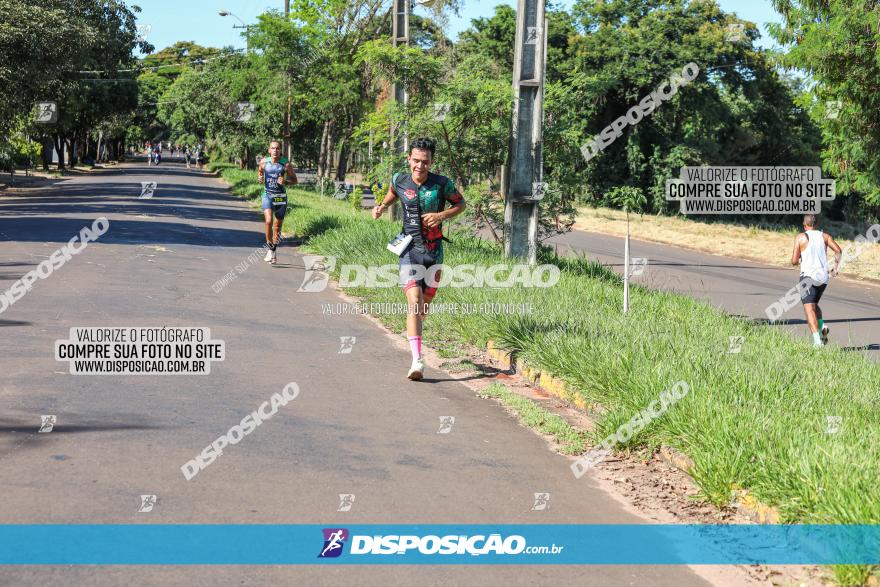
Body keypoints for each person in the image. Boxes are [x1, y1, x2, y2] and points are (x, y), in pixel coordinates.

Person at [371, 138, 466, 380]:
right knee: (414, 301)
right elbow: (393, 193)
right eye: (415, 161)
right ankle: (417, 360)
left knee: (423, 307)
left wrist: (441, 215)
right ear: (409, 159)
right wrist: (381, 206)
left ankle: (418, 331)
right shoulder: (399, 179)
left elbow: (460, 204)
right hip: (408, 250)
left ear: (431, 162)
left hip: (434, 252)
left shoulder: (442, 184)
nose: (419, 166)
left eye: (425, 162)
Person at [791, 214, 842, 347]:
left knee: (809, 309)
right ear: (816, 224)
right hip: (823, 278)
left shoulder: (801, 237)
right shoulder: (824, 236)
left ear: (804, 224)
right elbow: (838, 251)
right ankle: (822, 326)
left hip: (808, 277)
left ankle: (817, 341)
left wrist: (801, 256)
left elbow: (794, 261)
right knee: (813, 304)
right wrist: (835, 268)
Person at [258, 140, 297, 264]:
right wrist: (260, 177)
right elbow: (260, 171)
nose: (275, 150)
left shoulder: (285, 165)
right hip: (268, 195)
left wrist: (285, 182)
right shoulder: (264, 162)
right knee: (269, 221)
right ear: (269, 150)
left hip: (280, 197)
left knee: (277, 226)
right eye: (273, 148)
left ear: (280, 151)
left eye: (277, 148)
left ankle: (273, 250)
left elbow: (295, 181)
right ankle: (271, 248)